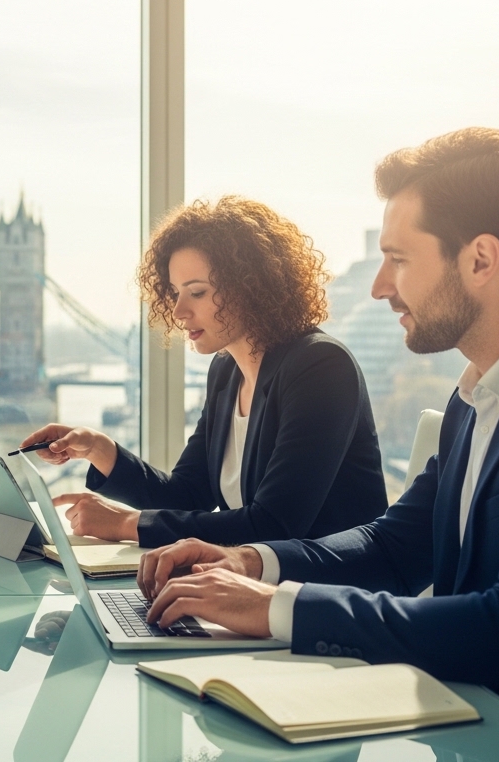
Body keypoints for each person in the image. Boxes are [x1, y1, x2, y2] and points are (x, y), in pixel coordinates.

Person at [136, 128, 499, 761]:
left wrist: (279, 609)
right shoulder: (476, 393)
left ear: (480, 259)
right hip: (461, 725)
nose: (379, 287)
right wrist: (252, 563)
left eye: (398, 259)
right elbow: (395, 547)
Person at [21, 196, 386, 548]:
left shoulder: (320, 367)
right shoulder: (226, 371)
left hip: (326, 596)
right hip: (250, 586)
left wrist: (126, 524)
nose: (178, 310)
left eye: (196, 292)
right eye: (175, 292)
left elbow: (275, 524)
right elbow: (187, 494)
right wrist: (99, 449)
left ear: (251, 288)